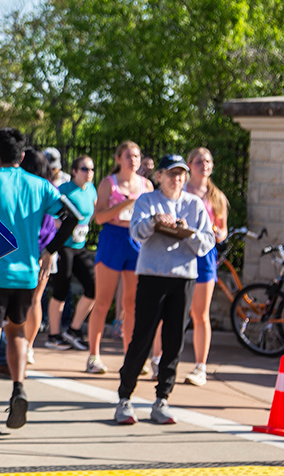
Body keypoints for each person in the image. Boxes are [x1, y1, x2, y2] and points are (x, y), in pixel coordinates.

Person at [0, 129, 76, 436]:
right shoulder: (40, 185)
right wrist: (51, 249)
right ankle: (18, 388)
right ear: (22, 156)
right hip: (27, 272)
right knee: (17, 332)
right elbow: (72, 216)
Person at [114, 154, 214, 425]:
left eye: (181, 174)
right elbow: (136, 232)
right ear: (159, 176)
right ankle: (125, 398)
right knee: (142, 337)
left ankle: (163, 399)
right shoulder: (148, 200)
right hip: (152, 275)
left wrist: (187, 230)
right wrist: (155, 221)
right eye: (171, 173)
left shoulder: (194, 204)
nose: (177, 179)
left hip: (184, 278)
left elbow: (207, 242)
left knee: (174, 340)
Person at [85, 141, 152, 375]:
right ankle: (94, 355)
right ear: (118, 159)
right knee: (103, 301)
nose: (133, 160)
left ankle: (131, 357)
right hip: (113, 239)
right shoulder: (108, 183)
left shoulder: (146, 185)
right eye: (128, 156)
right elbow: (100, 217)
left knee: (131, 304)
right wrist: (124, 203)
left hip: (136, 241)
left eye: (136, 155)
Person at [181, 147, 228, 387]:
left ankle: (201, 367)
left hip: (204, 255)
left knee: (200, 314)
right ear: (189, 164)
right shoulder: (180, 191)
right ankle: (158, 359)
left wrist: (218, 233)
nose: (204, 165)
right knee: (172, 310)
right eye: (199, 161)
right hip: (180, 254)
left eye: (208, 161)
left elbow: (223, 230)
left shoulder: (216, 196)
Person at [47, 155, 97, 351]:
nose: (89, 173)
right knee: (60, 290)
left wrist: (82, 228)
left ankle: (74, 330)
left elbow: (91, 214)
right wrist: (63, 225)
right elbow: (51, 217)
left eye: (91, 169)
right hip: (63, 246)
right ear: (74, 171)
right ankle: (54, 335)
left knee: (93, 287)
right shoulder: (64, 191)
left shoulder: (91, 190)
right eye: (85, 169)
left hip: (80, 246)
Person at [20, 148, 57, 359]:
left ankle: (15, 346)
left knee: (16, 301)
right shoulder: (49, 189)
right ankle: (28, 347)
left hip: (24, 248)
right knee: (35, 300)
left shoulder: (23, 187)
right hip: (46, 250)